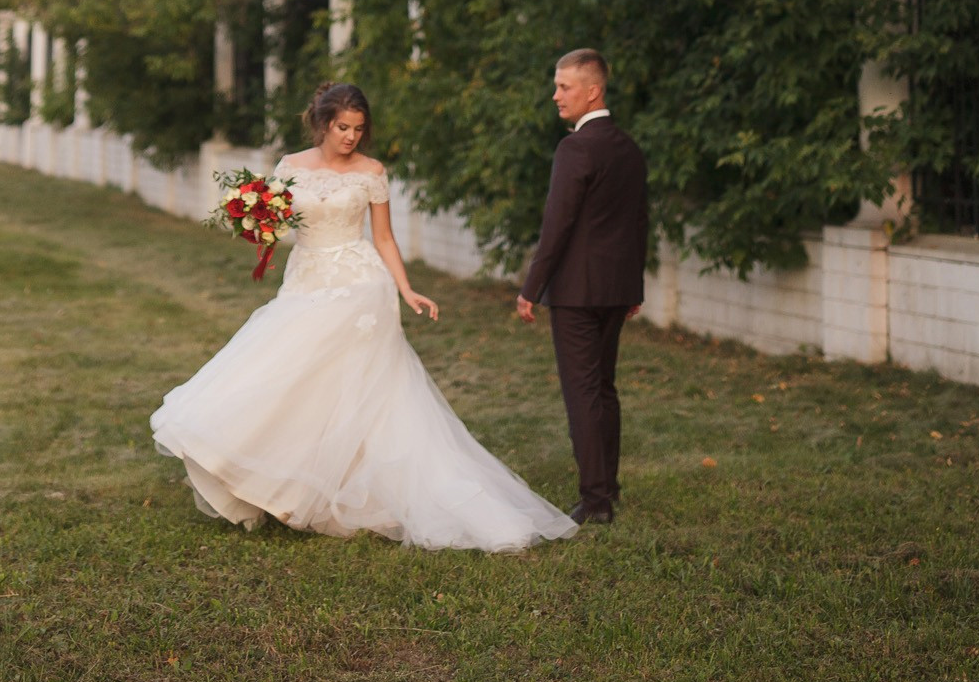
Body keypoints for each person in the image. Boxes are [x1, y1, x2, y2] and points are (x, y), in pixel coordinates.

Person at [151, 80, 578, 551]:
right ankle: (287, 485)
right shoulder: (290, 167)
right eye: (342, 127)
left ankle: (353, 493)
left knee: (360, 386)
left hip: (359, 284)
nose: (351, 137)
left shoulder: (372, 172)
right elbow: (274, 225)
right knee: (295, 378)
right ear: (322, 123)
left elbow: (385, 238)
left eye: (358, 128)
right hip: (306, 278)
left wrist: (407, 288)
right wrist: (256, 223)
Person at [516, 49, 648, 526]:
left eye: (564, 87)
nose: (556, 95)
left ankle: (595, 501)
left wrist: (531, 287)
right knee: (603, 389)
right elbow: (639, 222)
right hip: (616, 288)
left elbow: (558, 224)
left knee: (583, 392)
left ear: (592, 90)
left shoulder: (575, 148)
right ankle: (607, 486)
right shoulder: (628, 147)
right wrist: (635, 285)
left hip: (575, 290)